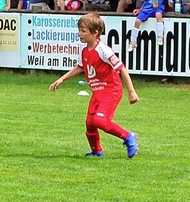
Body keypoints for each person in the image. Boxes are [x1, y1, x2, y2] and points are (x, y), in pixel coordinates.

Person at [49, 12, 139, 159]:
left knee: (100, 121)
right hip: (98, 93)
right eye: (79, 30)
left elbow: (121, 68)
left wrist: (132, 92)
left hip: (111, 90)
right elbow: (80, 67)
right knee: (90, 124)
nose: (80, 33)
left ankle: (129, 136)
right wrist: (62, 79)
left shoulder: (103, 50)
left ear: (95, 33)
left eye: (83, 31)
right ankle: (96, 151)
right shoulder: (85, 50)